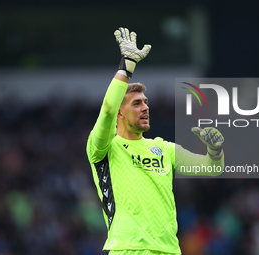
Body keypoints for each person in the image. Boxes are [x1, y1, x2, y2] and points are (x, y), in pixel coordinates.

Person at [86, 27, 225, 255]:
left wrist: (215, 149)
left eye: (146, 102)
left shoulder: (164, 148)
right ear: (120, 114)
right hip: (128, 249)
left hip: (169, 250)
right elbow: (108, 108)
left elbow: (212, 168)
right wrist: (127, 65)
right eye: (136, 103)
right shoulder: (103, 148)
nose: (145, 107)